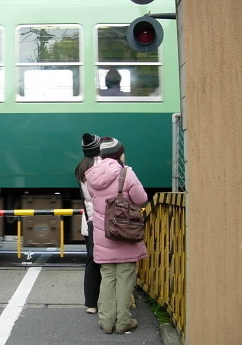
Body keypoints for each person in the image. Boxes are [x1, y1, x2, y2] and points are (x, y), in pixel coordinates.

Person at [85, 137, 148, 334]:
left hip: (104, 235)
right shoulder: (126, 173)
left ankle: (106, 322)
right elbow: (141, 199)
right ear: (118, 153)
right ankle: (123, 323)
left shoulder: (91, 176)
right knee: (125, 278)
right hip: (125, 234)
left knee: (107, 278)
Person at [74, 133, 102, 315]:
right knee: (107, 263)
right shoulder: (105, 167)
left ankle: (90, 304)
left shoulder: (80, 168)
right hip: (102, 221)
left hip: (88, 222)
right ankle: (108, 303)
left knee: (91, 261)